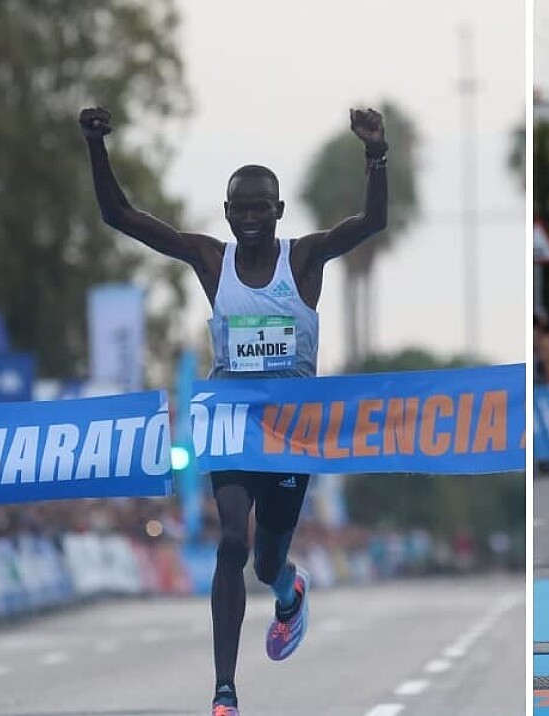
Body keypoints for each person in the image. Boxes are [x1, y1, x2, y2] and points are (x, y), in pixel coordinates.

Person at [79, 105, 387, 716]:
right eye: (239, 209)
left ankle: (288, 588)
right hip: (230, 420)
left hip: (291, 429)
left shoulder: (304, 260)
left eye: (260, 208)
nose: (249, 219)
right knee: (230, 541)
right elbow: (121, 216)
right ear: (225, 213)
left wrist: (375, 154)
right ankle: (225, 690)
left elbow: (372, 221)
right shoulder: (211, 261)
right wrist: (96, 145)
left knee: (267, 559)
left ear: (279, 210)